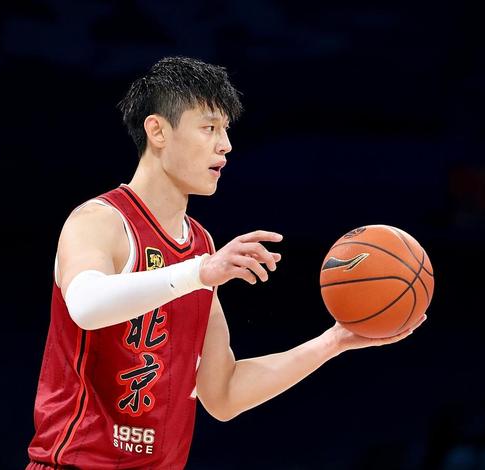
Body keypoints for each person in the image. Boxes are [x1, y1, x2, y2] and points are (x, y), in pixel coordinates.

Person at [26, 56, 426, 469]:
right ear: (158, 130)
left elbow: (224, 394)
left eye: (227, 130)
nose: (226, 145)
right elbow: (86, 306)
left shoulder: (200, 245)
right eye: (209, 128)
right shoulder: (100, 220)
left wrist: (335, 341)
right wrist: (200, 273)